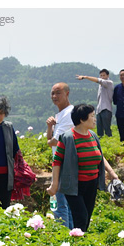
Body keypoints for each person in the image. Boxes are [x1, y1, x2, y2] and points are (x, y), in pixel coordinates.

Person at [48, 104, 120, 232]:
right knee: (81, 217)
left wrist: (112, 173)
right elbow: (57, 161)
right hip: (74, 185)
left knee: (86, 219)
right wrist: (54, 184)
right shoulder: (68, 137)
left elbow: (100, 156)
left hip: (91, 184)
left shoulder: (92, 136)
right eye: (92, 116)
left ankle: (79, 245)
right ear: (82, 119)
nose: (95, 119)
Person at [45, 82, 75, 228]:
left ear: (67, 94)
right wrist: (50, 126)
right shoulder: (62, 114)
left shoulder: (69, 114)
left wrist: (50, 138)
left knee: (60, 205)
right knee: (65, 204)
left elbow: (54, 142)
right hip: (61, 164)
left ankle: (64, 237)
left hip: (63, 165)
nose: (54, 96)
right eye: (52, 93)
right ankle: (72, 236)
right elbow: (50, 140)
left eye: (58, 93)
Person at [76, 70, 114, 137]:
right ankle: (100, 144)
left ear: (108, 76)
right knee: (99, 130)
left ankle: (109, 143)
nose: (102, 77)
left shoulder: (109, 83)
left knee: (107, 129)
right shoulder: (100, 85)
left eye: (104, 75)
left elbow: (98, 80)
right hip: (99, 109)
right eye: (101, 75)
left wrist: (85, 77)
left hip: (106, 109)